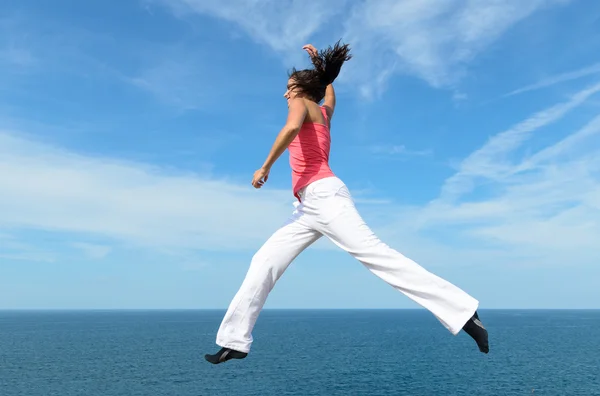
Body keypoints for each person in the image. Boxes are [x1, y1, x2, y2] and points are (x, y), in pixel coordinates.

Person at [204, 41, 489, 365]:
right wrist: (320, 70)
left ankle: (464, 312)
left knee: (377, 255)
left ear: (301, 89)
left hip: (325, 198)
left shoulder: (301, 103)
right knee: (264, 261)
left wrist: (265, 166)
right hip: (307, 207)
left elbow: (291, 127)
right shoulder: (324, 112)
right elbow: (329, 94)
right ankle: (235, 341)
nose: (286, 94)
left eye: (289, 87)